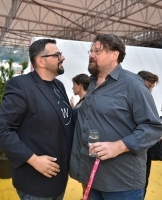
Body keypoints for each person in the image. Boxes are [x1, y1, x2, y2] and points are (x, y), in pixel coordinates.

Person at [69, 34, 162, 200]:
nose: (91, 54)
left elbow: (153, 127)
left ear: (114, 54)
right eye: (91, 51)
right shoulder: (92, 84)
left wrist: (118, 146)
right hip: (92, 177)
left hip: (122, 184)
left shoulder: (133, 85)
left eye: (98, 51)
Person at [0, 39, 74, 200]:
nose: (62, 57)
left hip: (59, 179)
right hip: (35, 182)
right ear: (40, 61)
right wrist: (33, 159)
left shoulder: (58, 85)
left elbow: (63, 122)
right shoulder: (21, 86)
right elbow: (1, 131)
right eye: (57, 54)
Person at [137, 70, 159, 198]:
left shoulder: (148, 101)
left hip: (145, 155)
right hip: (129, 155)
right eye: (148, 86)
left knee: (142, 185)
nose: (150, 90)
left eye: (151, 87)